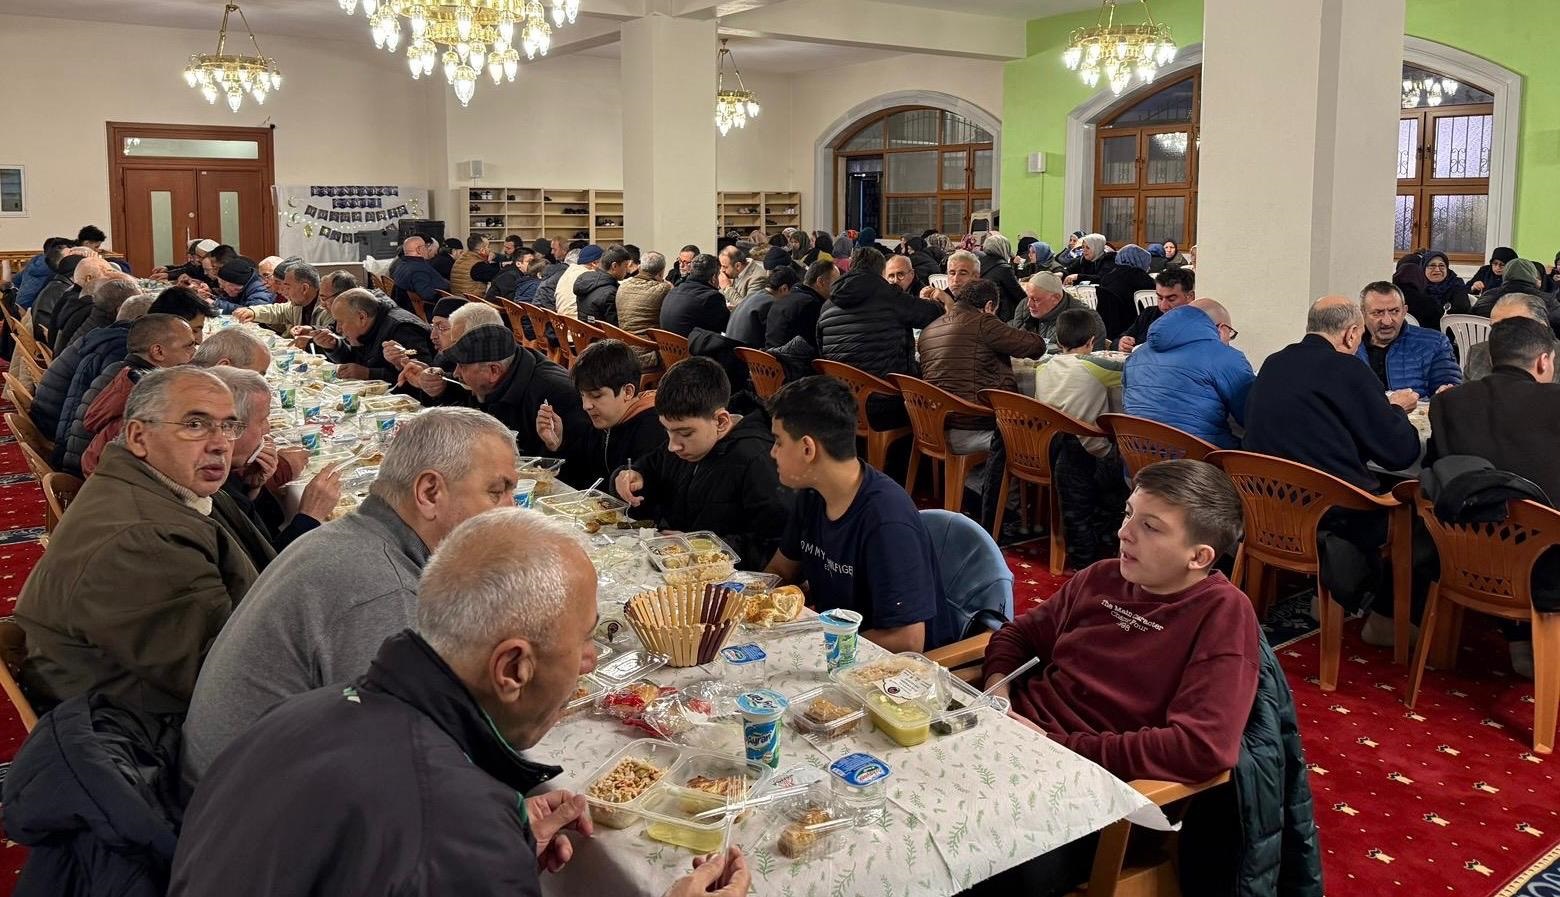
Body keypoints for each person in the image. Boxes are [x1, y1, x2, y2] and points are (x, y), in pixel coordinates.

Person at [172, 506, 756, 897]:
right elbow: (421, 840)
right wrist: (475, 848)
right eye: (583, 642)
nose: (589, 662)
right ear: (513, 669)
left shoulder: (300, 714)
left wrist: (491, 841)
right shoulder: (453, 830)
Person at [180, 407, 519, 782]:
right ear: (429, 492)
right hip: (245, 805)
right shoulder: (382, 590)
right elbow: (398, 771)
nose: (511, 509)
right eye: (497, 491)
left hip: (233, 782)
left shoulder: (348, 536)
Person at [974, 460, 1259, 897]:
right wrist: (1000, 691)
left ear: (1199, 556)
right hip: (1014, 743)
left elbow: (1202, 747)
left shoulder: (1221, 614)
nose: (1124, 532)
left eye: (1150, 527)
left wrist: (1058, 746)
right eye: (1128, 514)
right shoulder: (1102, 576)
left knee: (966, 858)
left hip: (1098, 796)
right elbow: (1018, 635)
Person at [14, 367, 270, 714]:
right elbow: (228, 680)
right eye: (195, 425)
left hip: (131, 696)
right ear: (137, 436)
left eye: (228, 426)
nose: (220, 443)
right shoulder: (145, 540)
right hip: (139, 726)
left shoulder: (150, 485)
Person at [765, 376, 948, 652]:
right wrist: (754, 603)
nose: (772, 452)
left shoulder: (886, 520)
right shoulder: (813, 494)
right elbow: (780, 571)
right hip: (835, 645)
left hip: (887, 667)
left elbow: (907, 640)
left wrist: (815, 646)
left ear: (807, 448)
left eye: (778, 441)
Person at [1429, 316, 1560, 677]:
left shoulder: (1448, 403)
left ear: (1490, 357)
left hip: (1466, 556)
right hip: (1545, 572)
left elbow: (1438, 474)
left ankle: (1518, 639)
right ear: (1543, 361)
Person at [613, 357, 791, 569]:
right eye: (667, 430)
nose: (672, 446)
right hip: (673, 563)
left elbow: (774, 544)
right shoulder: (682, 445)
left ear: (721, 421)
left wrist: (701, 546)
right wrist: (633, 476)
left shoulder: (757, 459)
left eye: (685, 433)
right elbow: (651, 467)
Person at [1244, 297, 1421, 490]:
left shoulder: (1273, 363)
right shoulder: (1349, 369)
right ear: (1351, 334)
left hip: (1264, 496)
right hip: (1333, 500)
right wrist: (1397, 408)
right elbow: (1399, 454)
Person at [404, 324, 590, 474]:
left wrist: (555, 448)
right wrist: (439, 388)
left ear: (494, 370)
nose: (456, 373)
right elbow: (466, 394)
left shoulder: (555, 393)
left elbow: (579, 466)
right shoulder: (502, 374)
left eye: (462, 366)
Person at [208, 365, 342, 559]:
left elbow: (267, 530)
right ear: (230, 428)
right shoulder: (209, 487)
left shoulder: (229, 476)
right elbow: (267, 567)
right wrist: (310, 516)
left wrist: (252, 490)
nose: (267, 429)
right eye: (262, 420)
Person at [1033, 309, 1129, 569]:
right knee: (1123, 467)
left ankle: (1085, 550)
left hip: (1049, 448)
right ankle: (1106, 538)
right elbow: (1130, 371)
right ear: (1091, 341)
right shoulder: (1096, 366)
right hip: (1090, 451)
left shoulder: (1042, 365)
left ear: (1058, 340)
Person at [819, 246, 944, 429]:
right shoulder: (889, 295)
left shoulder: (827, 305)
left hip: (840, 401)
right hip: (885, 402)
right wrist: (937, 300)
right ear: (881, 271)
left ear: (851, 266)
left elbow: (821, 350)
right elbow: (933, 314)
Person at [1122, 299, 1254, 448]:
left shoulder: (1137, 354)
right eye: (1230, 334)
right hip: (1199, 457)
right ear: (1222, 329)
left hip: (1137, 453)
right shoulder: (1226, 356)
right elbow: (1250, 417)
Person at [537, 339, 666, 486]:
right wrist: (556, 445)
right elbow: (579, 481)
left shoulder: (654, 431)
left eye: (596, 395)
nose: (586, 405)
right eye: (582, 395)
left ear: (628, 392)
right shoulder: (602, 420)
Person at [30, 278, 142, 441]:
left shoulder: (97, 329)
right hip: (58, 427)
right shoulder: (117, 345)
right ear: (120, 308)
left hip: (51, 416)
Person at [1355, 281, 1462, 398]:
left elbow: (1449, 386)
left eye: (1394, 311)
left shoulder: (1434, 343)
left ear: (1404, 311)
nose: (1387, 321)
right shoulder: (1349, 345)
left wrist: (1446, 392)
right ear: (1362, 314)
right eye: (1378, 313)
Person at [313, 288, 434, 384]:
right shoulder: (366, 326)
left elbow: (423, 379)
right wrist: (334, 347)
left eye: (340, 322)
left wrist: (369, 374)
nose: (338, 329)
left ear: (362, 317)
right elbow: (356, 361)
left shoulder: (403, 328)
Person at [1464, 293, 1560, 381]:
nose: (1504, 335)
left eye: (1516, 329)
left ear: (1541, 327)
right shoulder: (1477, 354)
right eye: (1496, 329)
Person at [234, 260, 335, 335]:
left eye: (287, 287)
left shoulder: (328, 308)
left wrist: (307, 342)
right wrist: (253, 312)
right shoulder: (299, 304)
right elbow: (279, 311)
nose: (284, 290)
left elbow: (330, 340)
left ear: (304, 288)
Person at [1117, 266, 1195, 352]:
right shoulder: (1149, 314)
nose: (1163, 306)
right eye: (1160, 298)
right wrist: (1122, 342)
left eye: (1171, 299)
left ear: (1190, 296)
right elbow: (1120, 338)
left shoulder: (1196, 323)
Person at [616, 250, 672, 366]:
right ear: (661, 272)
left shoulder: (623, 286)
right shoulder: (664, 289)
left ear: (640, 267)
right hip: (650, 354)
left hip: (625, 352)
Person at [1471, 258, 1560, 328]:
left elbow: (1471, 319)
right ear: (1533, 276)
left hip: (1489, 344)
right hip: (1533, 345)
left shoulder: (1487, 296)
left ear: (1506, 274)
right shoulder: (1548, 300)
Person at [766, 260, 833, 351]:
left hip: (767, 357)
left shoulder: (786, 298)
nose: (837, 287)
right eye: (835, 282)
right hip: (788, 358)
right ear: (820, 282)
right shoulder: (811, 304)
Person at [1010, 271, 1092, 344]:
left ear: (1056, 298)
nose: (1029, 304)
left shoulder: (1084, 319)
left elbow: (1088, 354)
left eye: (1036, 300)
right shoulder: (1023, 306)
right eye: (1028, 297)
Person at [1095, 243, 1156, 340]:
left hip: (1105, 328)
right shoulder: (1142, 278)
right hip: (1129, 331)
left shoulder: (1108, 275)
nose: (1149, 267)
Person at [660, 252, 730, 336]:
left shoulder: (673, 291)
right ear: (714, 277)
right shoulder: (712, 297)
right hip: (692, 344)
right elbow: (729, 328)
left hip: (668, 343)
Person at [727, 266, 793, 347]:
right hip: (746, 352)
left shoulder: (752, 296)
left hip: (731, 347)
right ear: (784, 288)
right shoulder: (772, 304)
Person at [389, 235, 451, 312]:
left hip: (406, 309)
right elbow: (427, 295)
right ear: (418, 250)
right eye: (425, 246)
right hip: (435, 310)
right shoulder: (418, 270)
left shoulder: (402, 265)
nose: (427, 249)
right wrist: (444, 292)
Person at [574, 244, 632, 325]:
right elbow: (614, 327)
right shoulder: (610, 293)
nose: (628, 270)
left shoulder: (585, 282)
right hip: (602, 333)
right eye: (625, 266)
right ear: (614, 266)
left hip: (584, 331)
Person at [12, 236, 74, 310]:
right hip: (33, 311)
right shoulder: (55, 268)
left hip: (19, 307)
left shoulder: (35, 261)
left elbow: (15, 280)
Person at [977, 233, 1025, 321]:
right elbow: (1019, 294)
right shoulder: (1003, 268)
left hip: (982, 310)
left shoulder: (979, 263)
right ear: (1004, 248)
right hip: (1002, 315)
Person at [1422, 250, 1472, 321]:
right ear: (1423, 268)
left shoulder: (1456, 283)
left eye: (1442, 266)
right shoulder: (1418, 285)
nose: (1437, 270)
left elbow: (1462, 309)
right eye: (1432, 266)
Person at [551, 244, 597, 319]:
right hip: (576, 322)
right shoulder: (589, 275)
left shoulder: (568, 271)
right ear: (594, 263)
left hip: (562, 321)